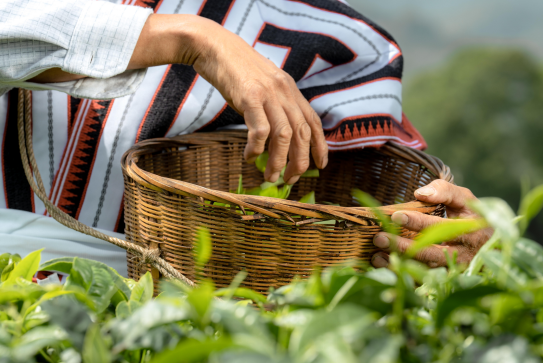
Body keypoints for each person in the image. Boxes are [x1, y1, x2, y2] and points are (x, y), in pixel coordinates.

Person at [0, 0, 489, 274]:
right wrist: (195, 38)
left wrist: (460, 236)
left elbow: (385, 201)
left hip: (153, 331)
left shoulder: (334, 42)